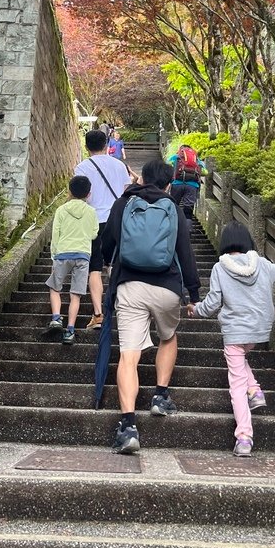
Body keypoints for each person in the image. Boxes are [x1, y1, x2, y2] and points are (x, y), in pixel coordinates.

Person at [102, 158, 200, 455]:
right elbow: (185, 252)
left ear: (142, 179)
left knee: (128, 355)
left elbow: (107, 241)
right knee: (168, 337)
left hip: (129, 285)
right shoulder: (172, 208)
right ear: (169, 182)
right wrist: (193, 294)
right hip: (167, 287)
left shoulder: (124, 202)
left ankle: (128, 426)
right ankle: (159, 396)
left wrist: (108, 262)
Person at [187, 221, 275, 457]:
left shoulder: (219, 268)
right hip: (260, 329)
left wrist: (196, 310)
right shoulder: (262, 263)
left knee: (236, 384)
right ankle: (255, 390)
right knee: (239, 356)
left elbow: (213, 302)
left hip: (235, 330)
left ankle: (244, 435)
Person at [74, 130, 132, 330]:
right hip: (118, 220)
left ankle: (98, 315)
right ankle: (124, 312)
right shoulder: (119, 165)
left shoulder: (82, 167)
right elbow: (127, 194)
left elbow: (80, 197)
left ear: (86, 145)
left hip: (93, 221)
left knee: (95, 268)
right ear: (107, 144)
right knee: (116, 265)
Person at [46, 175, 99, 344]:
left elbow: (55, 235)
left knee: (55, 287)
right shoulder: (91, 211)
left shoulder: (61, 210)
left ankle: (56, 318)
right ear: (88, 194)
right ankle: (70, 330)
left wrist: (53, 255)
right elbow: (93, 234)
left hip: (62, 253)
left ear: (69, 191)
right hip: (83, 255)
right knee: (75, 294)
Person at [167, 144, 207, 225]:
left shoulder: (176, 157)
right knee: (188, 209)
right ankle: (187, 230)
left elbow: (167, 164)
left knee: (174, 205)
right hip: (192, 186)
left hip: (177, 184)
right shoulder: (196, 159)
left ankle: (173, 226)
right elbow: (205, 172)